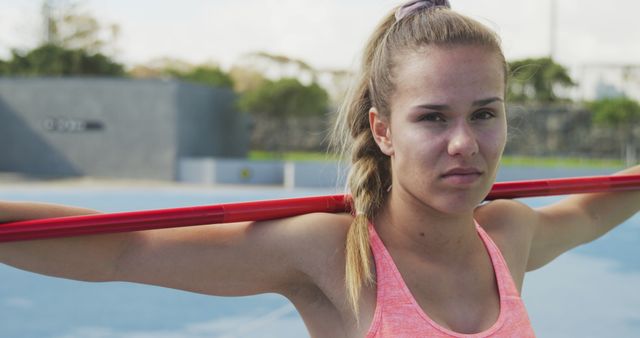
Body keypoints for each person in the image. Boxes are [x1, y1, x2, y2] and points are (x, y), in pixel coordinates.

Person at [1, 1, 639, 337]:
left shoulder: (508, 234)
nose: (464, 144)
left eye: (484, 113)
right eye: (433, 118)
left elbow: (594, 206)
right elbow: (123, 251)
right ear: (381, 129)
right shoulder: (334, 252)